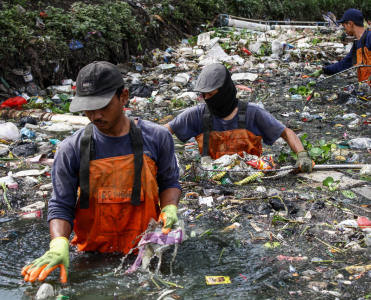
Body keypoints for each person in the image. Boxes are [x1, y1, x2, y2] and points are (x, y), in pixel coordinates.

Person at [21, 61, 181, 283]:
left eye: (102, 106)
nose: (95, 115)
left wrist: (170, 208)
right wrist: (58, 245)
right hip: (90, 255)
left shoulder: (157, 137)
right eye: (88, 107)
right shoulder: (70, 149)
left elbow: (169, 182)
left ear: (123, 96)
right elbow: (61, 205)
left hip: (147, 252)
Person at [164, 63, 314, 172]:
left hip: (250, 176)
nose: (207, 99)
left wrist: (302, 154)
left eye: (212, 94)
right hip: (214, 177)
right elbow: (164, 131)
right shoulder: (197, 114)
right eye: (204, 95)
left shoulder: (252, 113)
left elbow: (285, 132)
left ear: (225, 90)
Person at [310, 8, 371, 93]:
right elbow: (344, 64)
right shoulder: (357, 44)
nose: (345, 30)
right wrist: (324, 70)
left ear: (350, 24)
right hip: (368, 90)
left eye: (344, 26)